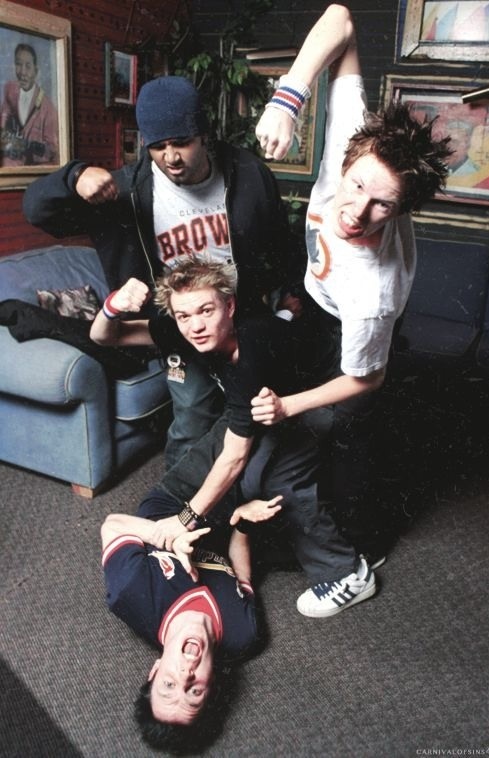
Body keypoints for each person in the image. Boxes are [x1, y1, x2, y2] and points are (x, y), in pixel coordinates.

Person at [252, 4, 452, 561]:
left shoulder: (373, 293)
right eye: (356, 185)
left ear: (403, 208)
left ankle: (367, 548)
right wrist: (287, 100)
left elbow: (366, 378)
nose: (355, 212)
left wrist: (290, 405)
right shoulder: (353, 143)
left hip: (349, 318)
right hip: (319, 298)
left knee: (347, 435)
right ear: (351, 158)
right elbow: (339, 17)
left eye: (381, 204)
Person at [23, 75, 297, 467]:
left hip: (245, 316)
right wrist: (74, 176)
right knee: (191, 419)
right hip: (181, 328)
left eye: (181, 142)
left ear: (203, 134)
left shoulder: (248, 173)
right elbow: (36, 210)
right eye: (158, 146)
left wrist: (289, 295)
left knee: (258, 415)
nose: (170, 157)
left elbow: (280, 239)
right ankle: (177, 511)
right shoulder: (125, 190)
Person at [91, 257, 377, 619]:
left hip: (327, 389)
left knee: (275, 477)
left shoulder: (253, 342)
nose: (195, 326)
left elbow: (236, 455)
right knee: (221, 451)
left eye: (206, 311)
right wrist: (113, 305)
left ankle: (346, 572)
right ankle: (354, 537)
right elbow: (104, 336)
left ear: (229, 306)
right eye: (184, 316)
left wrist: (185, 519)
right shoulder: (183, 328)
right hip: (267, 401)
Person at [102, 487, 282, 752]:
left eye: (169, 684)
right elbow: (240, 574)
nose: (186, 674)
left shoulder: (129, 593)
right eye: (194, 693)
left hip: (177, 500)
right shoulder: (244, 636)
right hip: (226, 523)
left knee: (245, 458)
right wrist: (243, 525)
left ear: (155, 670)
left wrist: (170, 537)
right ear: (212, 687)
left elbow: (112, 525)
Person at [0, 43, 59, 166]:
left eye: (28, 66)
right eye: (18, 64)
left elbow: (54, 153)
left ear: (36, 70)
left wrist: (29, 147)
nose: (22, 72)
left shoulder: (48, 108)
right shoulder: (9, 92)